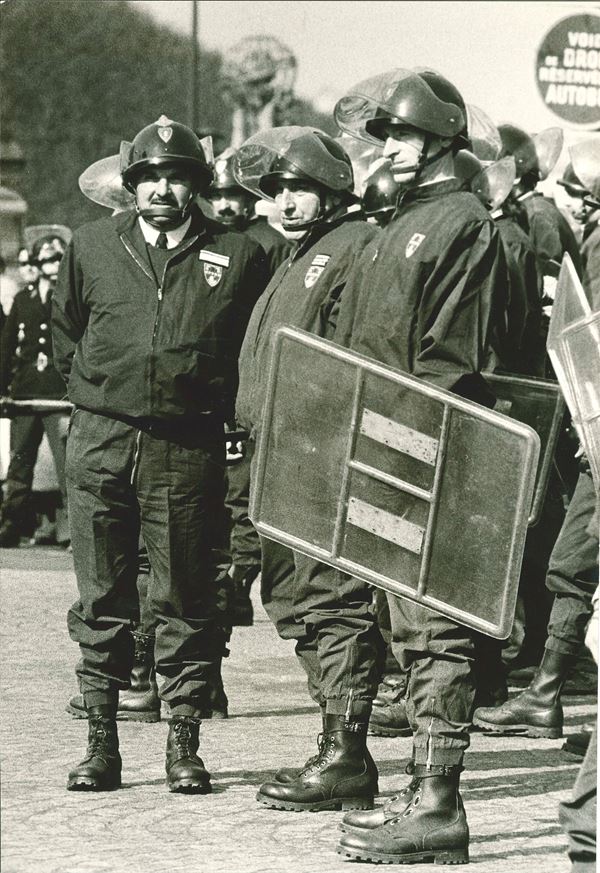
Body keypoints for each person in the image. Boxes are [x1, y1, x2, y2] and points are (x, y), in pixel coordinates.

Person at [52, 115, 269, 793]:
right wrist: (99, 396)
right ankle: (101, 744)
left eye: (176, 177)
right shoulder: (92, 245)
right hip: (101, 439)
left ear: (196, 184)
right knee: (102, 595)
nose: (161, 189)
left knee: (184, 593)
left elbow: (250, 350)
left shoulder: (237, 254)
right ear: (131, 183)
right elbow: (67, 334)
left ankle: (184, 743)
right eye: (148, 177)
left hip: (185, 446)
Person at [331, 67, 511, 865]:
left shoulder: (461, 221)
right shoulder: (401, 220)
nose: (392, 147)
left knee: (435, 626)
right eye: (387, 135)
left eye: (404, 134)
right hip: (382, 445)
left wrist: (408, 447)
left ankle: (440, 806)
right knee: (407, 627)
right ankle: (423, 795)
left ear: (443, 138)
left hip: (425, 450)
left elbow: (450, 363)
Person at [234, 126, 384, 812]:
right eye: (278, 191)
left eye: (300, 188)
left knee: (334, 599)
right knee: (293, 598)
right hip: (279, 450)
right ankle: (337, 740)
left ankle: (346, 752)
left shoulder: (352, 247)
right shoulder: (299, 253)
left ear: (333, 189)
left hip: (321, 450)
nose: (287, 202)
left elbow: (358, 357)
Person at [207, 147, 292, 626]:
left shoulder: (267, 244)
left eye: (233, 195)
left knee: (243, 484)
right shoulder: (211, 240)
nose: (224, 204)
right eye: (216, 195)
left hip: (252, 376)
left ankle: (240, 578)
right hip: (216, 378)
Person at [0, 229, 71, 548]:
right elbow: (6, 347)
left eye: (60, 257)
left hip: (60, 394)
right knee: (19, 463)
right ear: (38, 263)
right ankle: (12, 523)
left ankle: (71, 531)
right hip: (26, 393)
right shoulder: (22, 300)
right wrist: (3, 388)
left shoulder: (71, 297)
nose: (55, 264)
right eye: (49, 258)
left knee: (67, 466)